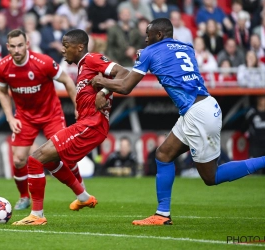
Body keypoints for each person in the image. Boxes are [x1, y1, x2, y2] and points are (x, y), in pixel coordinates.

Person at [91, 18, 265, 226]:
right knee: (163, 154)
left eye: (148, 35)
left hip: (197, 113)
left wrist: (101, 82)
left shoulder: (150, 52)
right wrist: (144, 56)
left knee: (211, 177)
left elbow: (126, 87)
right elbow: (165, 58)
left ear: (159, 35)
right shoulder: (186, 47)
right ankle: (162, 214)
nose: (145, 39)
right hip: (202, 107)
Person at [12, 29, 129, 225]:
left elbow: (124, 73)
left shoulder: (92, 59)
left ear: (79, 47)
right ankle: (83, 197)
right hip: (86, 124)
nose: (63, 51)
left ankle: (37, 215)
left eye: (66, 46)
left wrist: (106, 89)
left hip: (92, 125)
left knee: (35, 159)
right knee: (48, 160)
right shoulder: (83, 66)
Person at [0, 29, 81, 211]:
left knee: (65, 155)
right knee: (18, 160)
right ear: (7, 47)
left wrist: (76, 106)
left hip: (51, 115)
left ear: (27, 44)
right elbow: (2, 92)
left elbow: (67, 81)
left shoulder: (43, 63)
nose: (17, 50)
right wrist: (10, 117)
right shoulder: (2, 67)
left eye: (20, 45)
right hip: (24, 117)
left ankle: (81, 192)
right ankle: (24, 197)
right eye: (13, 46)